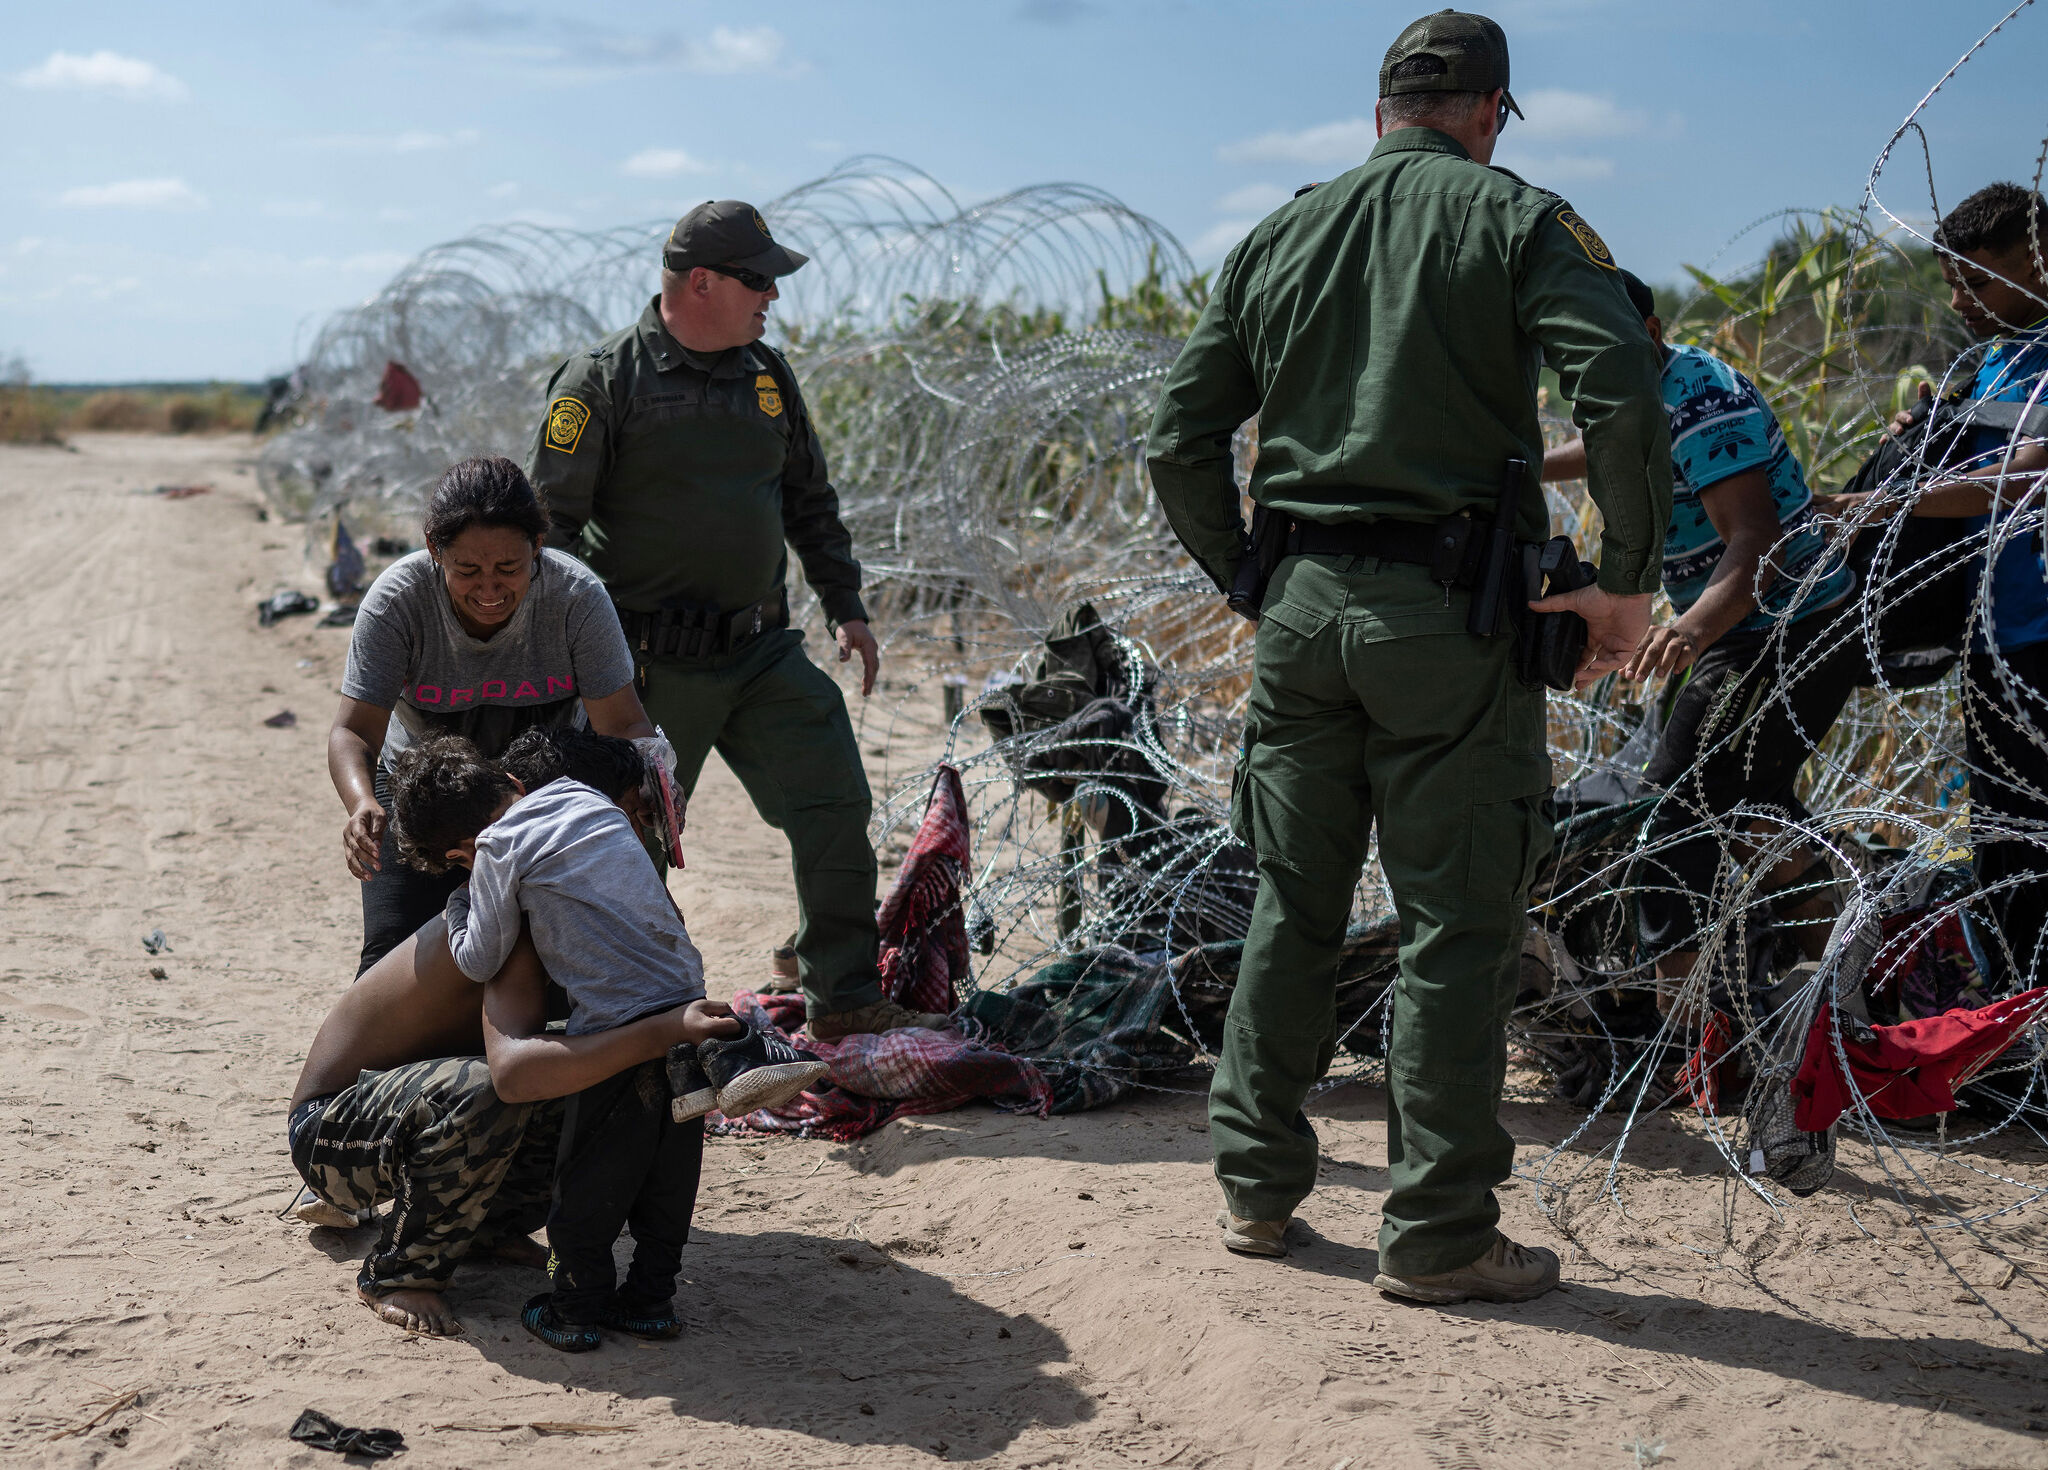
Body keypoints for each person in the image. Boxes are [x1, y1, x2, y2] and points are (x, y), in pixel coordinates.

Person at [1147, 10, 1669, 1304]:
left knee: (1293, 905)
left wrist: (1248, 578)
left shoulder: (1282, 231)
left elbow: (1176, 437)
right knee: (1458, 925)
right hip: (1449, 621)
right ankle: (1436, 1234)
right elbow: (1621, 387)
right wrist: (1625, 587)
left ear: (1379, 111)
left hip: (1305, 615)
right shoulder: (1518, 220)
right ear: (1490, 113)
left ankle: (1258, 1193)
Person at [526, 199, 937, 1042]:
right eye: (759, 281)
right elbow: (549, 533)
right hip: (647, 669)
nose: (773, 297)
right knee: (625, 849)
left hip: (760, 651)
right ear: (701, 282)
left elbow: (808, 499)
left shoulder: (767, 375)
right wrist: (567, 659)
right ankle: (619, 1019)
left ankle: (845, 995)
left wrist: (845, 604)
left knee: (832, 802)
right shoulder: (602, 382)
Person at [389, 732, 828, 1350]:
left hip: (616, 1028)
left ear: (460, 850)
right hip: (684, 998)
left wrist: (464, 904)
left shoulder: (495, 846)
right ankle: (652, 1302)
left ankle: (574, 1307)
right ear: (513, 784)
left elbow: (481, 957)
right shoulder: (583, 796)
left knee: (590, 1180)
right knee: (668, 1176)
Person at [1540, 269, 1862, 994]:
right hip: (1747, 628)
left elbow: (1757, 541)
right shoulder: (1635, 390)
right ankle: (1852, 946)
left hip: (1791, 628)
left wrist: (1687, 630)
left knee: (1678, 804)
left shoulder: (1700, 396)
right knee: (1743, 798)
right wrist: (1529, 468)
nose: (1580, 372)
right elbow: (1613, 448)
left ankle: (1684, 1002)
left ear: (1650, 336)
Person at [288, 920, 708, 1337]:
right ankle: (400, 1274)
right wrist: (658, 1031)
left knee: (610, 1065)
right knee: (491, 1086)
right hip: (330, 1132)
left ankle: (488, 1231)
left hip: (417, 1110)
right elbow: (510, 1076)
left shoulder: (605, 918)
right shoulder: (507, 920)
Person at [327, 455, 660, 976]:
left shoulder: (576, 598)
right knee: (394, 962)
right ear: (435, 550)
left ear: (538, 548)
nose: (489, 590)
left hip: (541, 792)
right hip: (424, 791)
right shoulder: (398, 601)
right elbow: (354, 730)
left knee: (574, 950)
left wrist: (649, 784)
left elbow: (622, 726)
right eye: (467, 571)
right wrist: (361, 802)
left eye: (510, 568)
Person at [1832, 183, 2048, 983]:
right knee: (2009, 854)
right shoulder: (1988, 363)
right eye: (1950, 283)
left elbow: (2025, 476)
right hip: (1996, 637)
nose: (1960, 301)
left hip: (2037, 640)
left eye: (1978, 282)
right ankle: (2012, 1032)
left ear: (2040, 261)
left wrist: (1879, 499)